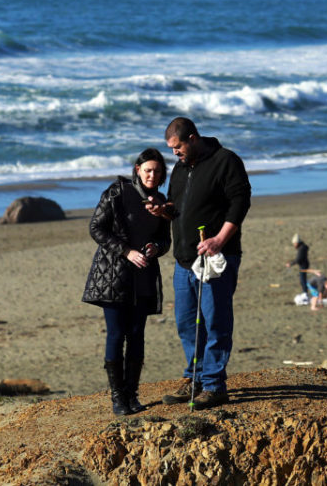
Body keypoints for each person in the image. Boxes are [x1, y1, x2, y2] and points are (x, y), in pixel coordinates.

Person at [153, 117, 251, 410]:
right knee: (186, 324)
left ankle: (214, 386)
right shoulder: (181, 169)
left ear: (193, 138)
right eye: (171, 149)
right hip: (184, 262)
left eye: (178, 147)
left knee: (215, 321)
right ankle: (194, 378)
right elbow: (177, 205)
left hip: (216, 258)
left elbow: (241, 201)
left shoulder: (226, 161)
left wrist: (219, 239)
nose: (174, 154)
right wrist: (164, 211)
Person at [81, 148, 171, 416]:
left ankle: (132, 394)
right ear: (137, 170)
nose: (152, 175)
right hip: (114, 276)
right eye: (147, 170)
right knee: (116, 334)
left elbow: (166, 239)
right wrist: (126, 251)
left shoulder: (162, 200)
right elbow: (96, 228)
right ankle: (117, 398)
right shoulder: (116, 192)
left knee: (137, 336)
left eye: (157, 171)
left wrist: (157, 247)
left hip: (143, 276)